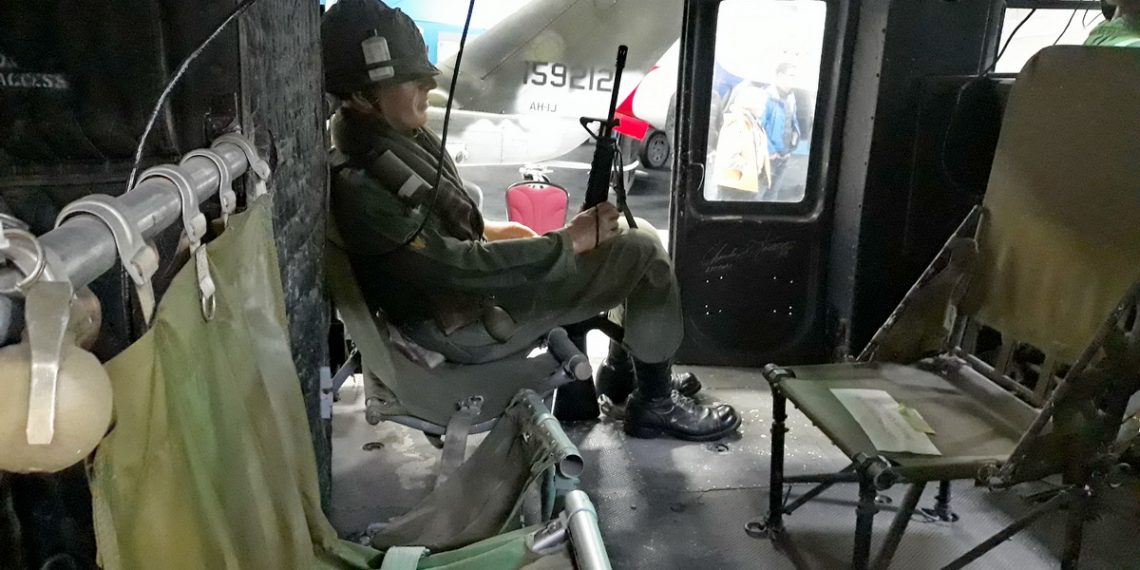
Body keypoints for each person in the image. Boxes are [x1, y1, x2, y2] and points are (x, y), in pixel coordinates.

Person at [320, 0, 740, 441]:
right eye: (411, 78)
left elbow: (434, 237)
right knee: (643, 250)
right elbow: (453, 268)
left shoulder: (389, 140)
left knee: (633, 234)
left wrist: (496, 232)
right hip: (464, 324)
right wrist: (567, 242)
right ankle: (656, 403)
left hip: (459, 303)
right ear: (362, 96)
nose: (430, 83)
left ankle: (625, 374)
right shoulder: (365, 180)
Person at [758, 63, 802, 198]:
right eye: (791, 75)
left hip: (784, 154)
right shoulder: (766, 97)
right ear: (780, 76)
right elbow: (759, 126)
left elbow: (792, 120)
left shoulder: (791, 97)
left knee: (773, 195)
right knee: (759, 195)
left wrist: (793, 142)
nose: (794, 79)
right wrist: (770, 151)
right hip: (768, 157)